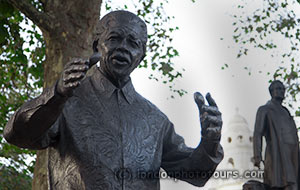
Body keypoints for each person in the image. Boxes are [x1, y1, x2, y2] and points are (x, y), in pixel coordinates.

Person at [4, 10, 223, 189]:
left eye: (133, 43)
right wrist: (56, 95)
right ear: (96, 45)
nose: (123, 48)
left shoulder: (156, 121)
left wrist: (210, 141)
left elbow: (195, 174)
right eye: (114, 39)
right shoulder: (67, 101)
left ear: (142, 55)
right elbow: (17, 135)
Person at [253, 80, 299, 190]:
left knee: (294, 183)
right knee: (283, 184)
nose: (281, 91)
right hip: (277, 153)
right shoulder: (265, 109)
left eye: (283, 89)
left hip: (293, 153)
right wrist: (257, 156)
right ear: (271, 91)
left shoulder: (286, 111)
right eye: (278, 89)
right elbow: (257, 133)